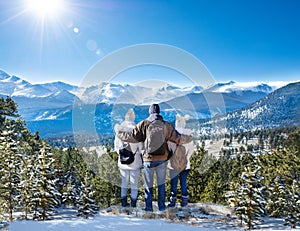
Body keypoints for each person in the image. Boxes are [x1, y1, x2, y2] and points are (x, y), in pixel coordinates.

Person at [117, 104, 192, 212]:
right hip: (162, 159)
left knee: (148, 185)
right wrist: (189, 138)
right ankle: (161, 207)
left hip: (148, 159)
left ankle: (148, 208)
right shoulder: (166, 125)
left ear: (150, 112)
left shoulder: (144, 124)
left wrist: (119, 134)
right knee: (161, 184)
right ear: (159, 112)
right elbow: (178, 138)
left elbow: (132, 136)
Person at [114, 109, 143, 207]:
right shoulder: (137, 131)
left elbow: (116, 148)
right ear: (133, 117)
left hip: (122, 162)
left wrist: (123, 154)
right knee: (134, 184)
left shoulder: (119, 131)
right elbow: (141, 148)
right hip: (135, 161)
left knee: (124, 183)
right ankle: (133, 204)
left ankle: (123, 202)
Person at [167, 114, 195, 207]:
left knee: (173, 184)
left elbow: (168, 150)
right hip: (185, 165)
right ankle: (184, 202)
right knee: (183, 183)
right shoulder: (189, 138)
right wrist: (186, 158)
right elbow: (191, 152)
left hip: (173, 164)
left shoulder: (171, 137)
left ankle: (172, 202)